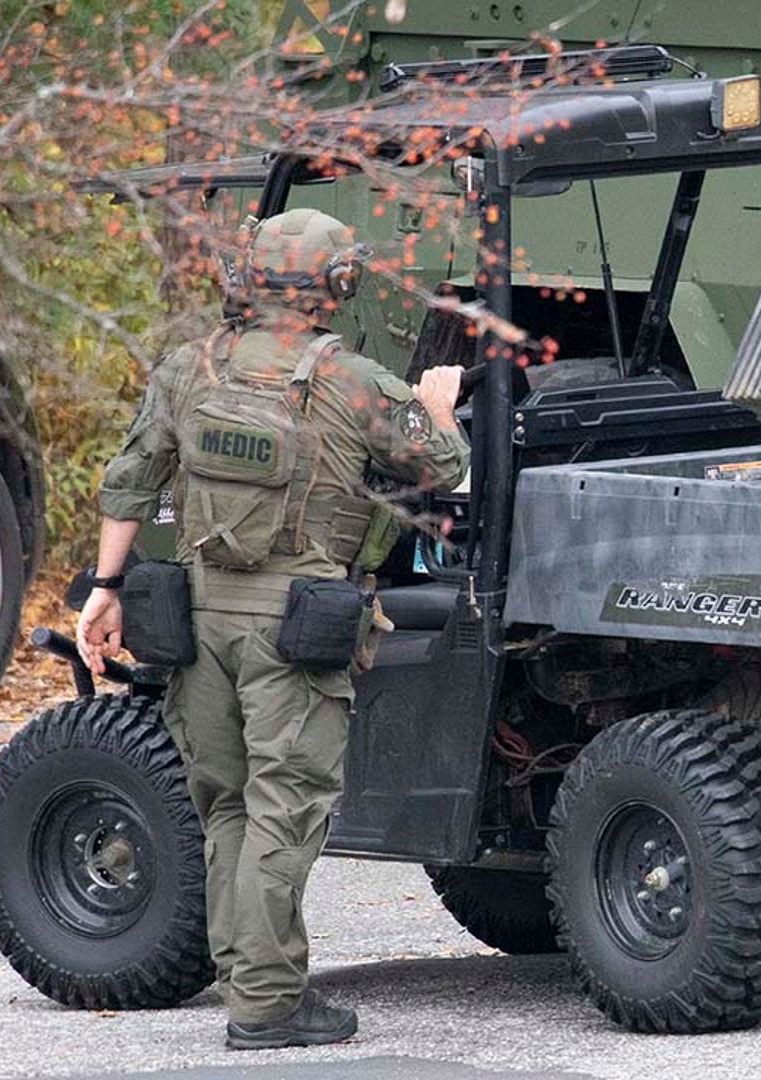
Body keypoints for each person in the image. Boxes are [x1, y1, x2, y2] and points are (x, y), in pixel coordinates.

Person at [75, 207, 470, 1050]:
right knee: (284, 807)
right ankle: (264, 1004)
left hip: (199, 618)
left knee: (224, 804)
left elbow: (131, 479)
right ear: (337, 286)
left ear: (245, 279)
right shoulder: (353, 381)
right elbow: (444, 466)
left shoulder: (189, 369)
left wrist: (104, 588)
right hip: (296, 630)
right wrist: (438, 403)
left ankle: (245, 975)